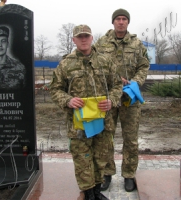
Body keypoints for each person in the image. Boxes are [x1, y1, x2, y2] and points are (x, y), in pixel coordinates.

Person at [49, 24, 123, 200]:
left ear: (91, 39)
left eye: (86, 36)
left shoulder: (105, 61)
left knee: (100, 158)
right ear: (74, 40)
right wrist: (68, 100)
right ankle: (88, 194)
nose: (83, 39)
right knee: (83, 160)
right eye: (79, 36)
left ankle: (97, 193)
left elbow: (117, 85)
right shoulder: (65, 64)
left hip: (102, 121)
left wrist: (111, 100)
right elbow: (55, 89)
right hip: (79, 123)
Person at [95, 8, 150, 192]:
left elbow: (144, 66)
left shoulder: (136, 43)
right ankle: (107, 173)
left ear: (128, 22)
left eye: (124, 19)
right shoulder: (102, 43)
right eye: (118, 19)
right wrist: (114, 80)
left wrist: (135, 82)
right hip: (109, 98)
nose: (120, 22)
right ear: (113, 22)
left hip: (130, 98)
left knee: (131, 139)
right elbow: (95, 65)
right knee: (106, 137)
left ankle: (128, 174)